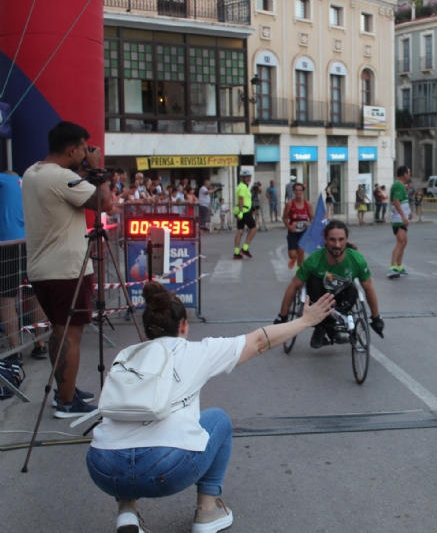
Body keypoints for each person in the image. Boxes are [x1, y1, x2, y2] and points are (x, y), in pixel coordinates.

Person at [86, 281, 335, 533]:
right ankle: (208, 511)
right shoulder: (196, 351)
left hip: (103, 469)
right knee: (219, 420)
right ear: (183, 325)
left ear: (147, 328)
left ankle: (127, 513)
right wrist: (305, 321)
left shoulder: (125, 356)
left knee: (122, 432)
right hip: (163, 471)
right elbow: (259, 341)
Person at [21, 121, 113, 417]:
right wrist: (99, 169)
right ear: (72, 149)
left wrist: (85, 170)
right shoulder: (62, 179)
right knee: (70, 336)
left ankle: (65, 390)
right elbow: (105, 202)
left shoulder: (33, 172)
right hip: (68, 270)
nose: (87, 153)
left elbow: (70, 189)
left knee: (59, 333)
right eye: (84, 149)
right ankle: (66, 402)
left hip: (42, 268)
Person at [274, 220, 383, 349]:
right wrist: (282, 316)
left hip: (343, 298)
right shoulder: (314, 261)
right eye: (332, 240)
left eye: (341, 239)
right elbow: (293, 286)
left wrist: (376, 318)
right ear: (325, 240)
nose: (337, 245)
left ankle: (332, 325)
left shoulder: (357, 260)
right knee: (312, 281)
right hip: (319, 298)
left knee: (354, 289)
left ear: (346, 239)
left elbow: (368, 288)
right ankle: (321, 327)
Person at [0, 171, 48, 363]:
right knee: (35, 294)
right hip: (31, 242)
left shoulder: (3, 179)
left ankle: (15, 350)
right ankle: (40, 344)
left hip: (8, 244)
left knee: (6, 298)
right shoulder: (28, 183)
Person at [282, 182, 314, 270]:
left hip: (304, 232)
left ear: (303, 192)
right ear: (293, 192)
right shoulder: (289, 204)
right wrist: (289, 226)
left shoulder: (307, 204)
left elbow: (312, 218)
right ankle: (294, 258)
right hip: (293, 232)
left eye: (300, 190)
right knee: (292, 255)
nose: (298, 192)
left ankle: (299, 272)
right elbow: (284, 217)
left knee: (300, 251)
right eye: (296, 190)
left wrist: (309, 225)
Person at [388, 166, 412, 278]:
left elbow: (403, 201)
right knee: (400, 243)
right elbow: (396, 200)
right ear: (405, 174)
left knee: (403, 243)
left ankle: (399, 267)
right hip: (398, 219)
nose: (410, 175)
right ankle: (392, 267)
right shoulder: (398, 185)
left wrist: (409, 212)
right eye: (409, 173)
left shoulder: (402, 186)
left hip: (401, 218)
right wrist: (403, 216)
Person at [233, 170, 257, 260]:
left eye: (249, 177)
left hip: (242, 209)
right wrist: (241, 213)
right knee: (254, 228)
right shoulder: (243, 187)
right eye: (246, 177)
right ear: (242, 178)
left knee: (240, 231)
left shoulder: (242, 186)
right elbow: (241, 199)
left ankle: (236, 252)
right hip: (243, 210)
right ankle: (245, 248)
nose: (249, 178)